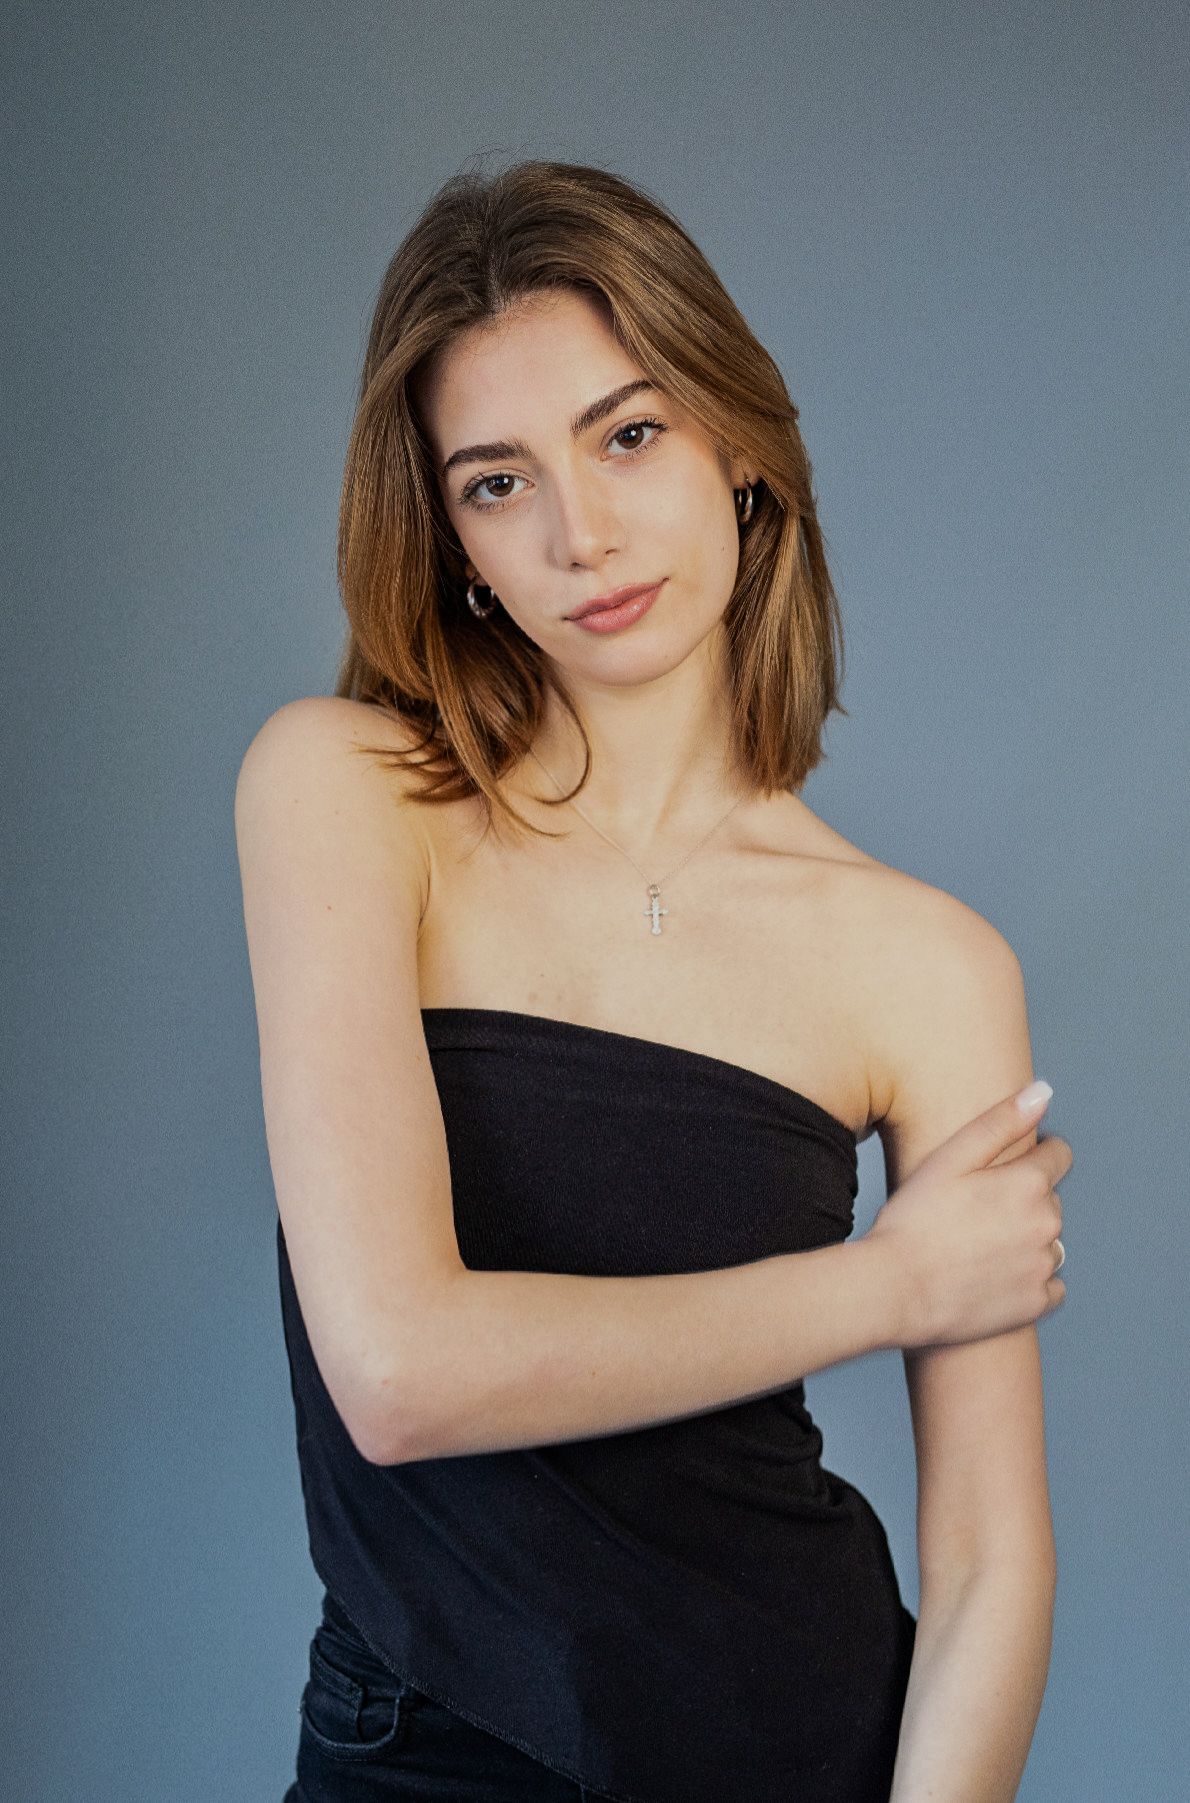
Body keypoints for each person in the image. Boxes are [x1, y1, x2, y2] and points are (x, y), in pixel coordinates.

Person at [234, 159, 1072, 1803]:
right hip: (424, 1751)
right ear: (454, 543)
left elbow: (990, 1571)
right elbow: (400, 1377)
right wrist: (895, 1284)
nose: (579, 531)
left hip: (801, 1741)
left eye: (628, 435)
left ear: (738, 450)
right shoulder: (338, 792)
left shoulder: (927, 960)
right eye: (495, 482)